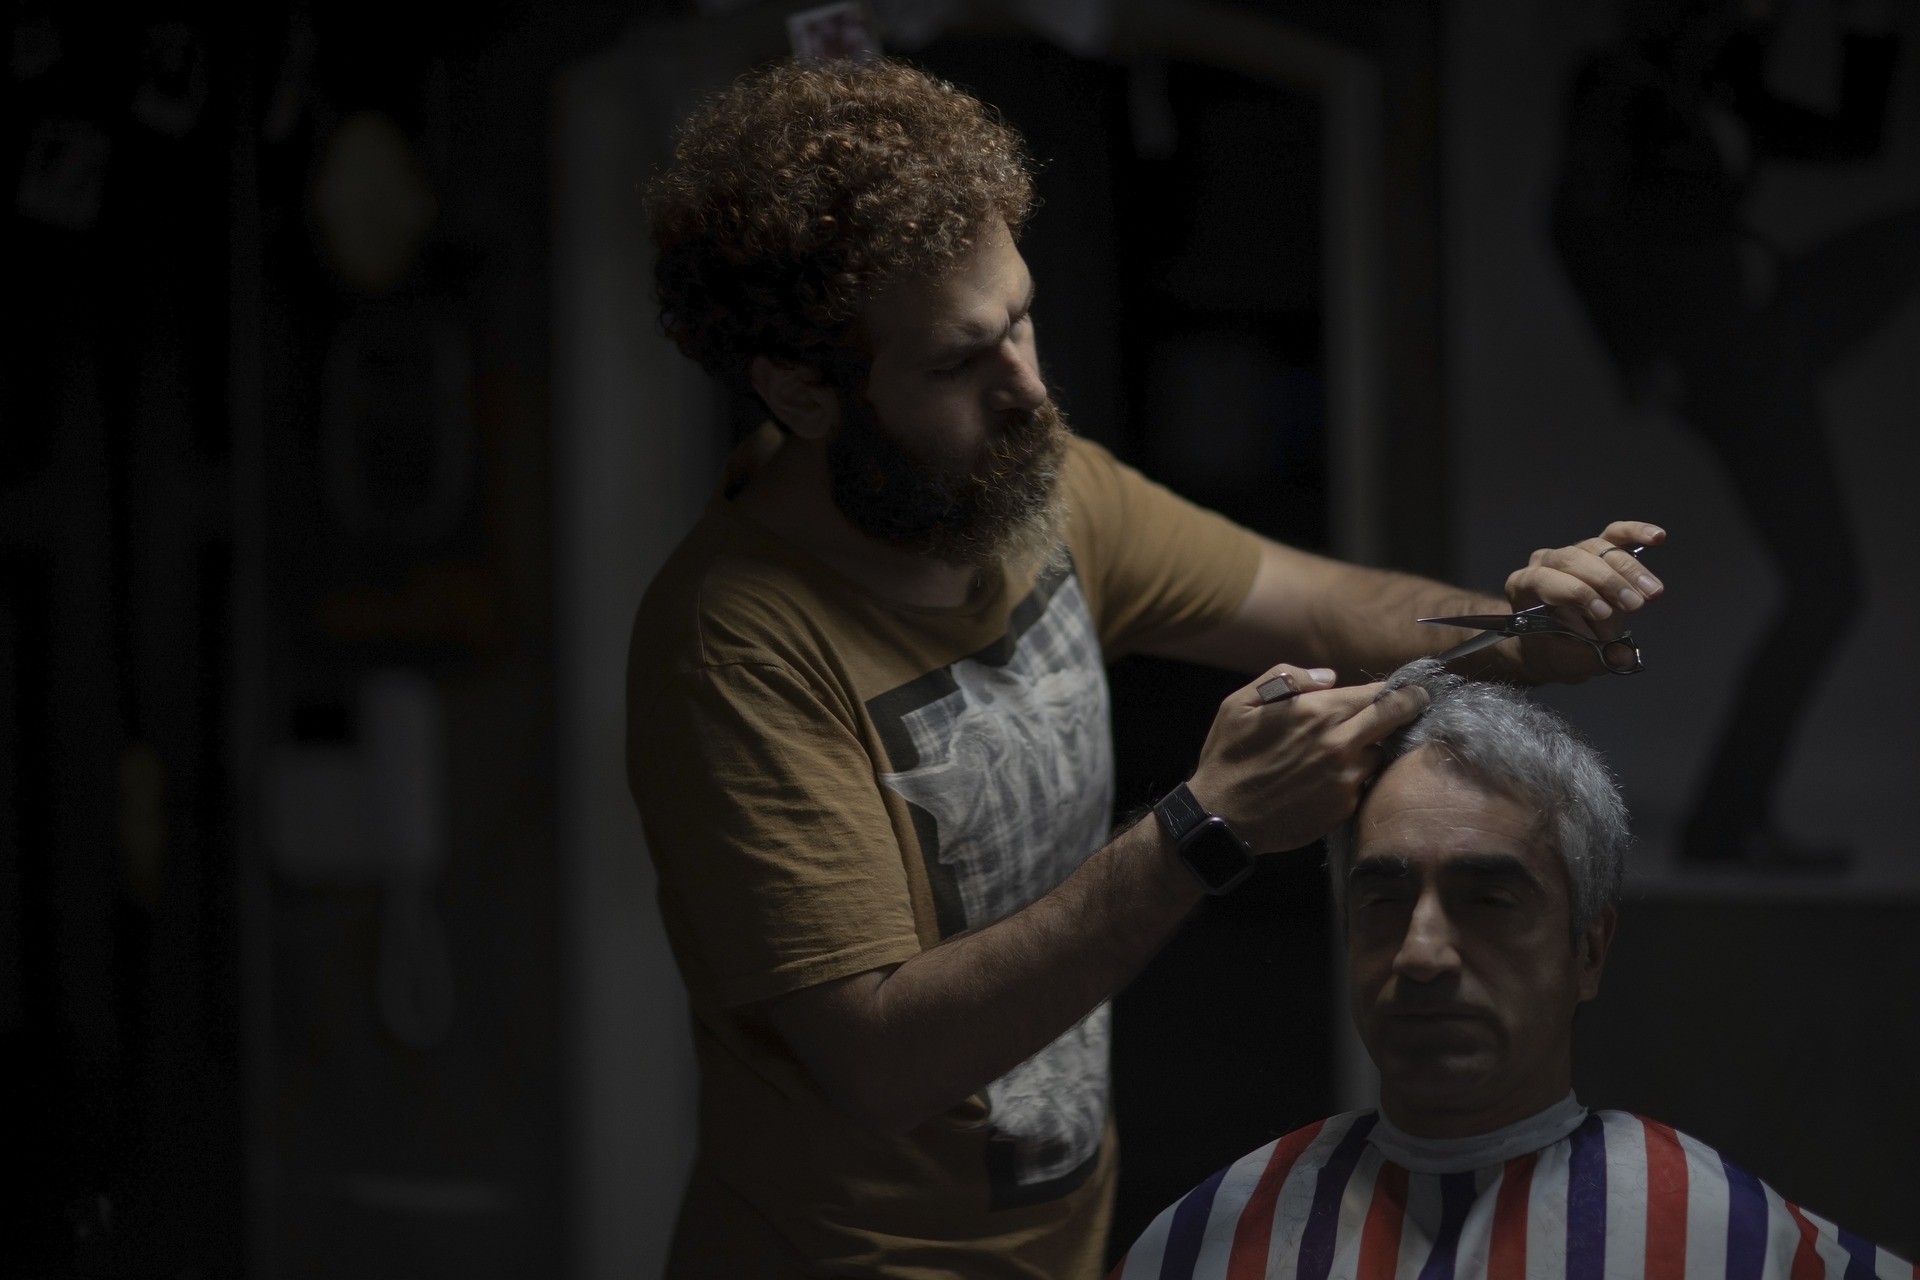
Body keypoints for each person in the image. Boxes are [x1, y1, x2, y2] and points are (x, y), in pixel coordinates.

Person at [629, 58, 1668, 1278]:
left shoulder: (1040, 491)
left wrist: (1518, 624)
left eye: (1020, 316)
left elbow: (1332, 604)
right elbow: (881, 1063)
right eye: (958, 362)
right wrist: (1205, 826)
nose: (1028, 387)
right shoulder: (736, 642)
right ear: (801, 391)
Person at [1112, 661, 1912, 1279]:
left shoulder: (1729, 1240)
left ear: (1587, 950)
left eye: (1488, 900)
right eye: (1384, 901)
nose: (1421, 953)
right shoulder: (1210, 1239)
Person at [1552, 0, 1916, 865]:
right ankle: (1725, 823)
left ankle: (1725, 821)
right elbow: (1571, 220)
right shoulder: (1621, 87)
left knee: (1825, 590)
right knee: (1828, 589)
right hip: (1725, 363)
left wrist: (1870, 32)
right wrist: (1638, 354)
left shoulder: (1719, 82)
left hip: (1760, 334)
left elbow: (1848, 142)